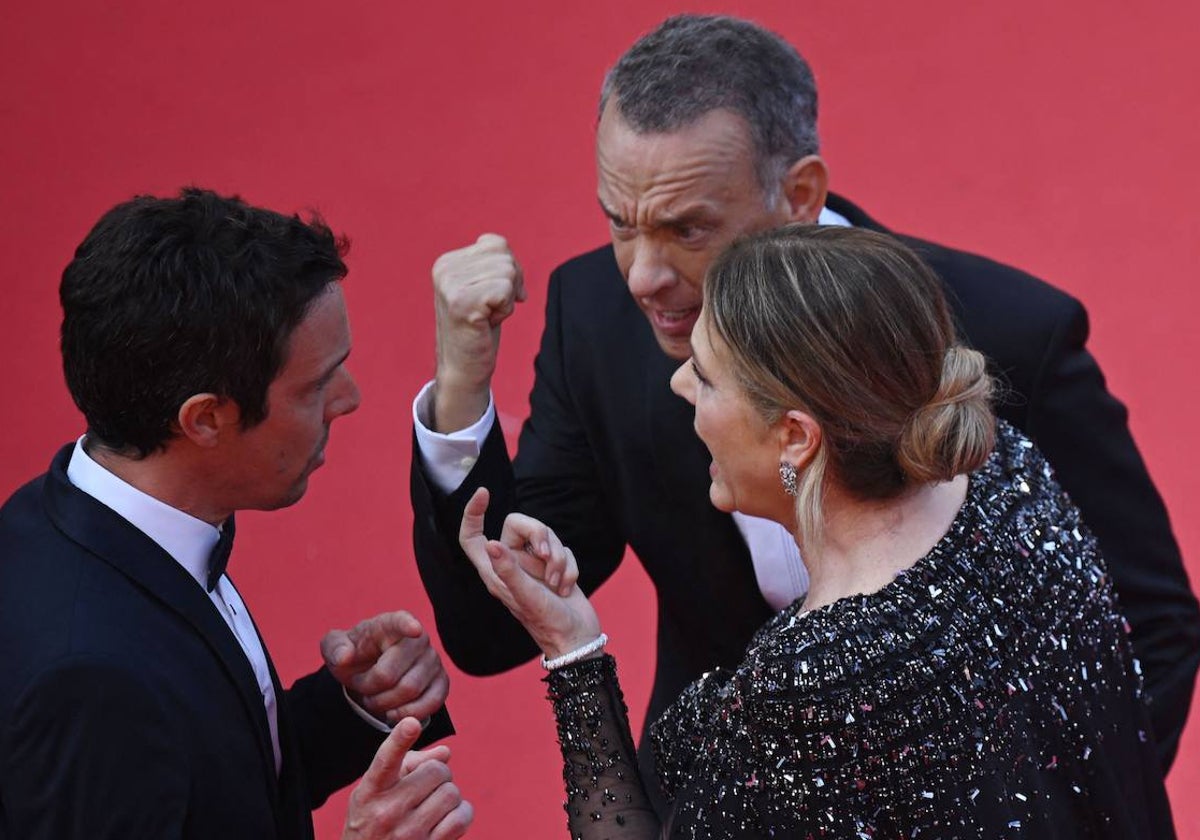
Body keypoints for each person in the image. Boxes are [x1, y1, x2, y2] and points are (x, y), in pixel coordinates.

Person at [410, 13, 1199, 802]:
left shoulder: (1008, 332)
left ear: (799, 194)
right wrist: (460, 391)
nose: (644, 277)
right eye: (620, 223)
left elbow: (1153, 627)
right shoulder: (595, 322)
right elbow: (492, 630)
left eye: (688, 228)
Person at [459, 224, 1176, 838]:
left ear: (796, 436)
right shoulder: (1010, 473)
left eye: (704, 378)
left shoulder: (810, 686)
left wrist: (573, 653)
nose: (678, 387)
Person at [0, 188, 472, 840]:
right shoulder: (88, 684)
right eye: (314, 386)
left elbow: (198, 783)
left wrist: (356, 708)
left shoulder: (90, 522)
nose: (351, 399)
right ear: (205, 419)